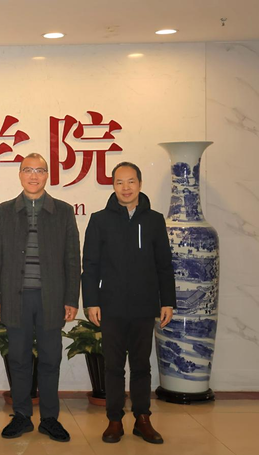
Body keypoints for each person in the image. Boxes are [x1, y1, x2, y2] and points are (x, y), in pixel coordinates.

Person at [0, 153, 80, 441]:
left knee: (51, 359)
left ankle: (50, 419)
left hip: (51, 298)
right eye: (28, 170)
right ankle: (21, 416)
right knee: (18, 359)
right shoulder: (5, 211)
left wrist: (71, 299)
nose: (33, 175)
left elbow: (72, 259)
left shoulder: (63, 211)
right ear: (20, 174)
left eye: (39, 170)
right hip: (16, 297)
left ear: (47, 175)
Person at [82, 162, 175, 444]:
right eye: (119, 182)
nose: (126, 188)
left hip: (144, 305)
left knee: (141, 366)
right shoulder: (100, 220)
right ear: (113, 186)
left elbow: (164, 264)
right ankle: (114, 420)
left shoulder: (154, 220)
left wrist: (167, 301)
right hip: (110, 306)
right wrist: (91, 302)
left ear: (140, 184)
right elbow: (90, 264)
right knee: (113, 367)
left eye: (131, 181)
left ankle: (142, 418)